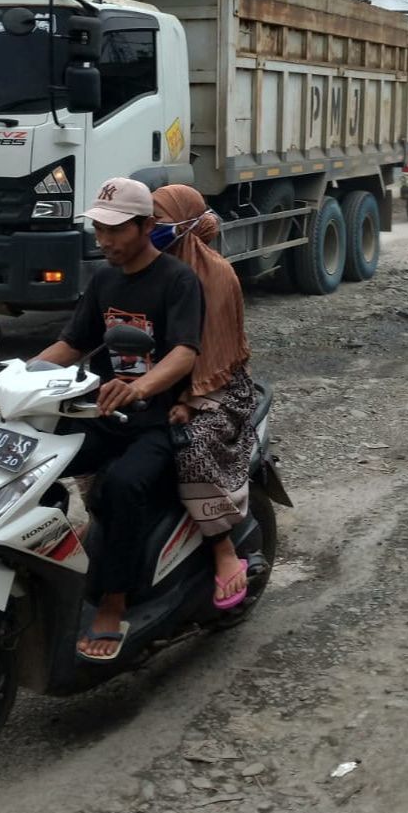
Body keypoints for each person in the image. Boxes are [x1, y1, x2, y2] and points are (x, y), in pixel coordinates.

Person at [36, 177, 204, 662]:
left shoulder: (177, 280)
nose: (105, 240)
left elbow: (184, 352)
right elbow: (72, 343)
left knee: (123, 486)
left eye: (116, 230)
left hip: (155, 421)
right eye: (99, 230)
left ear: (147, 226)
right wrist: (19, 376)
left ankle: (113, 601)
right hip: (101, 413)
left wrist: (140, 388)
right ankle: (49, 562)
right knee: (37, 464)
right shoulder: (104, 280)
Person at [151, 184, 256, 610]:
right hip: (159, 385)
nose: (150, 231)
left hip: (218, 387)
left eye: (159, 223)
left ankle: (223, 548)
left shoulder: (215, 275)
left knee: (190, 448)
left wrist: (189, 400)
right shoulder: (146, 268)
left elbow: (214, 352)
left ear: (183, 225)